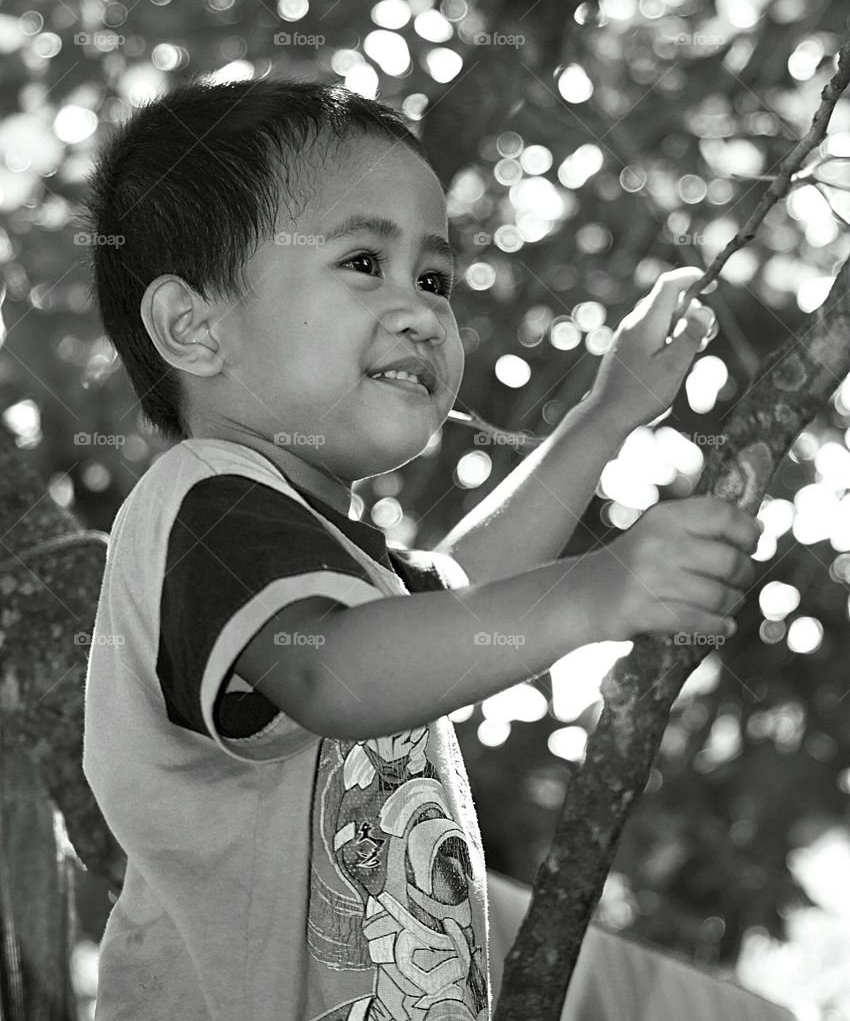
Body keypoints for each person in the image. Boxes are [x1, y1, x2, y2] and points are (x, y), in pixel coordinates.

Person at [79, 76, 761, 1021]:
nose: (421, 311)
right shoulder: (199, 505)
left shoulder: (330, 557)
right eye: (364, 262)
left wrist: (609, 414)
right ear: (193, 327)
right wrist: (598, 591)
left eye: (434, 279)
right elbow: (341, 676)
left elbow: (463, 602)